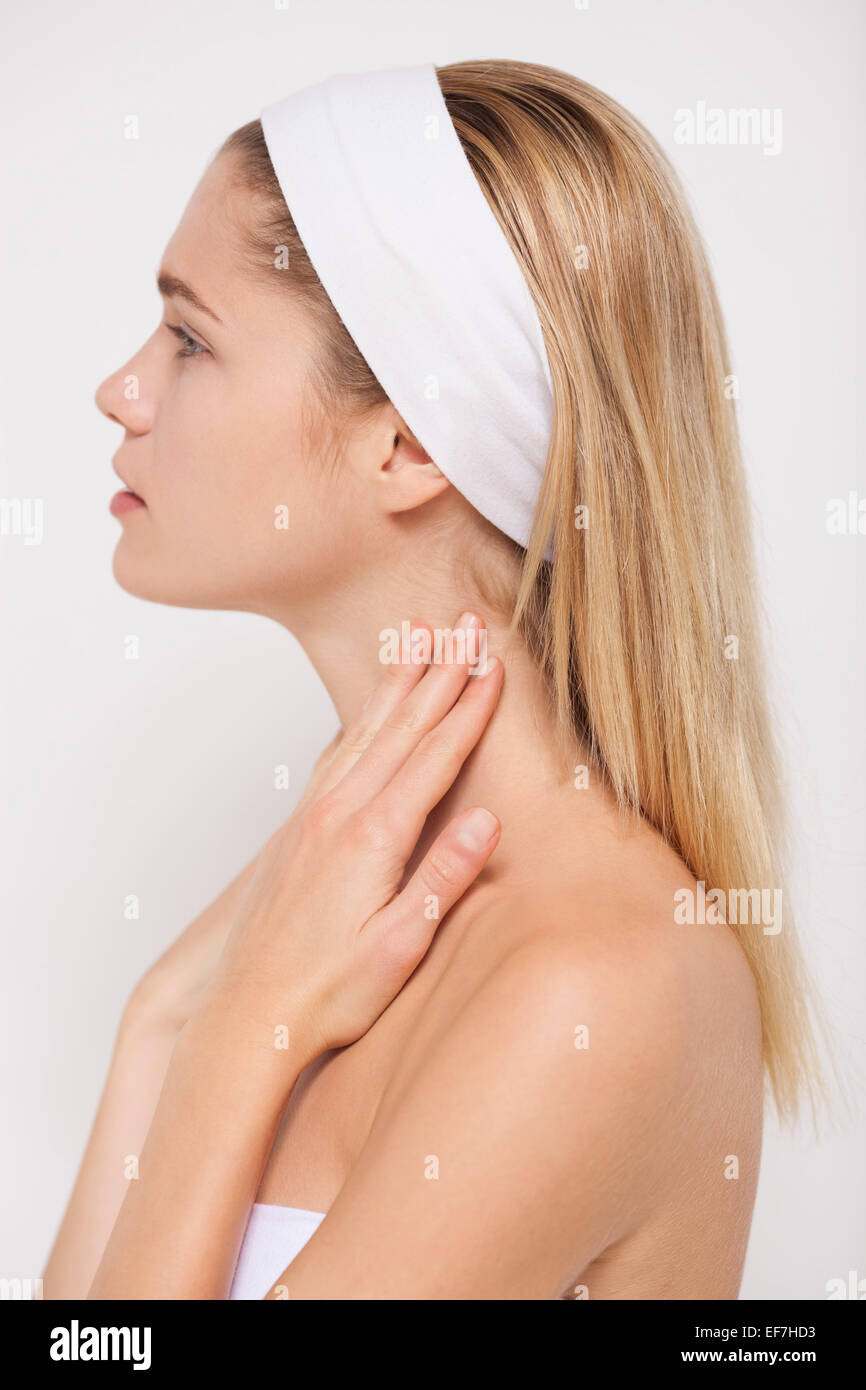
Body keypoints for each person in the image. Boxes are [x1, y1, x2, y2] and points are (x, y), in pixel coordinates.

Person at [44, 59, 825, 1301]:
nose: (120, 391)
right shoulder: (316, 912)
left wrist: (234, 1033)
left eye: (190, 337)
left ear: (406, 441)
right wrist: (164, 1013)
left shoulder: (596, 980)